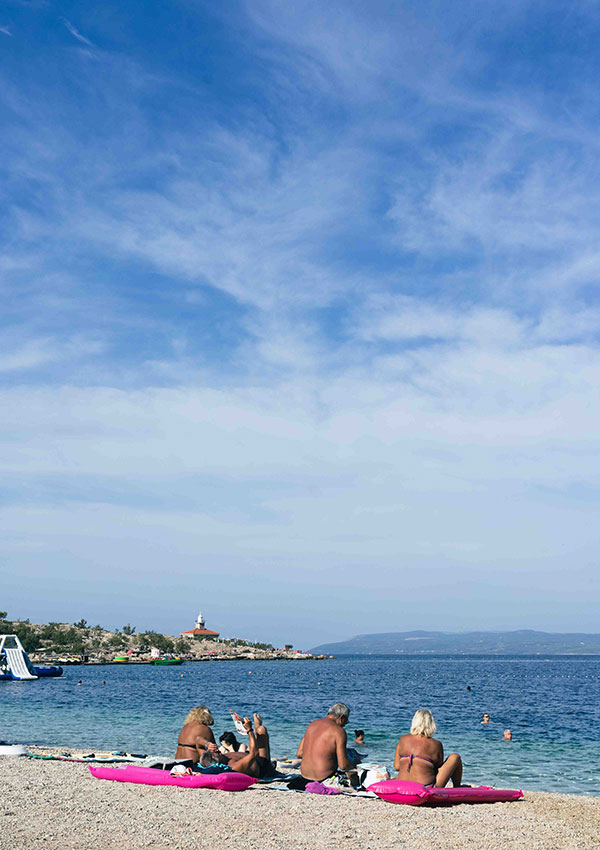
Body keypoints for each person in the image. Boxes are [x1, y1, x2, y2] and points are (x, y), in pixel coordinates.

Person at [293, 703, 358, 788]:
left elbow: (299, 754)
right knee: (355, 773)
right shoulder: (339, 731)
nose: (345, 724)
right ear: (342, 718)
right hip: (323, 779)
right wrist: (355, 764)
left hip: (304, 777)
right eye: (346, 721)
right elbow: (343, 765)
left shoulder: (312, 725)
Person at [394, 708, 463, 788]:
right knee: (455, 757)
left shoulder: (403, 739)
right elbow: (438, 767)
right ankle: (457, 787)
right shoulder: (436, 744)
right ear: (431, 724)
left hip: (402, 784)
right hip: (426, 787)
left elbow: (397, 766)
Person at [200, 714, 275, 778]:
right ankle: (257, 726)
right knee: (261, 730)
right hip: (262, 766)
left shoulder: (222, 757)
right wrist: (249, 729)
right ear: (216, 759)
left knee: (259, 733)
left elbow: (198, 740)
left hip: (248, 755)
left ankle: (257, 727)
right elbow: (254, 753)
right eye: (215, 752)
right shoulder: (234, 766)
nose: (216, 750)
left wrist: (207, 744)